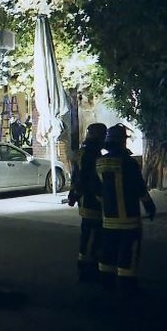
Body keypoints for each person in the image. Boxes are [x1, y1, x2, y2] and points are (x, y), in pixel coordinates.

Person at [96, 123, 157, 295]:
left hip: (108, 219)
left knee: (108, 251)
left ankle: (106, 284)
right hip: (128, 220)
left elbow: (99, 189)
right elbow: (139, 188)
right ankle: (127, 286)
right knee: (128, 253)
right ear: (123, 142)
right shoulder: (129, 163)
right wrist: (149, 205)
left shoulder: (100, 162)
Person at [67, 122, 107, 283]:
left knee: (86, 232)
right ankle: (90, 268)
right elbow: (86, 177)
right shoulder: (92, 154)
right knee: (95, 233)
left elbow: (75, 175)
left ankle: (84, 264)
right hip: (92, 199)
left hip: (84, 198)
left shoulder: (81, 153)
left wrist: (73, 193)